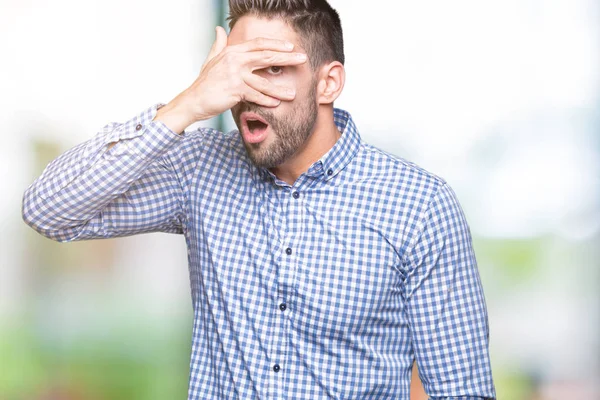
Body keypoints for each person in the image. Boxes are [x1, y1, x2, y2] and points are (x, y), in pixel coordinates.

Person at [22, 0, 496, 398]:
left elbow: (463, 391)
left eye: (273, 70)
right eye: (237, 72)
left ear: (328, 82)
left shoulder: (418, 205)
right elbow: (49, 209)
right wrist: (187, 103)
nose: (249, 93)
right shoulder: (199, 171)